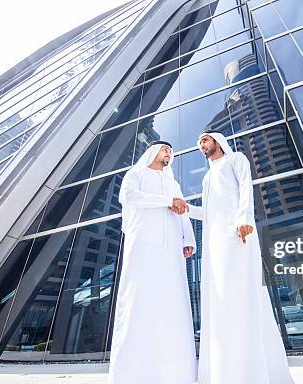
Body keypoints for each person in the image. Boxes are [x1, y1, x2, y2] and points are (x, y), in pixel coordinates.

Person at [182, 130, 295, 384]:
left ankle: (255, 371)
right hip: (215, 244)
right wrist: (186, 209)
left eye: (205, 139)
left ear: (218, 141)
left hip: (239, 235)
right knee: (221, 300)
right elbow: (209, 213)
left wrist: (244, 219)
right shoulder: (207, 177)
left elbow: (246, 188)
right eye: (199, 142)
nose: (202, 144)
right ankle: (227, 370)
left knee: (244, 295)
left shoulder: (236, 160)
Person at [109, 140, 197, 384]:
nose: (169, 152)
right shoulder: (136, 173)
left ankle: (175, 374)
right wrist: (166, 201)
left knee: (172, 303)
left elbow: (182, 210)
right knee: (139, 300)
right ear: (152, 151)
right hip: (143, 244)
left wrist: (187, 238)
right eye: (165, 149)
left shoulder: (173, 183)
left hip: (170, 251)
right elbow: (128, 196)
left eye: (172, 150)